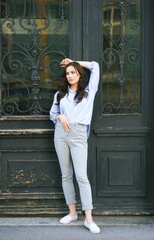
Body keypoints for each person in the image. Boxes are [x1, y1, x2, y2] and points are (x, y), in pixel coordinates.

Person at [49, 58, 100, 234]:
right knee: (66, 174)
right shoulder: (60, 94)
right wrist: (60, 117)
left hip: (78, 134)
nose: (70, 75)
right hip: (60, 133)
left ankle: (89, 219)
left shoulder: (88, 91)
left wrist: (73, 62)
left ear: (79, 74)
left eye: (73, 72)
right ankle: (72, 213)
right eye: (68, 73)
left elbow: (95, 66)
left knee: (81, 176)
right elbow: (52, 113)